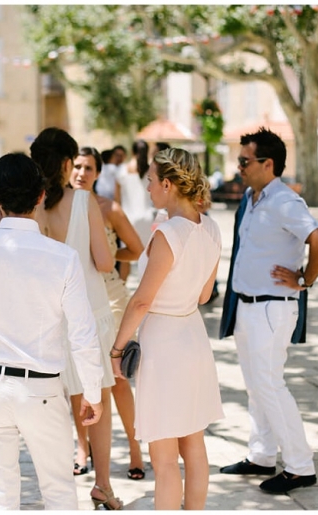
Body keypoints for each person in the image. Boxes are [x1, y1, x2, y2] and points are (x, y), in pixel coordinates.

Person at [0, 152, 104, 510]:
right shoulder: (62, 257)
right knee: (59, 492)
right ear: (42, 195)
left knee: (1, 498)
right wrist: (93, 390)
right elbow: (82, 333)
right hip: (42, 387)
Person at [218, 127, 318, 494]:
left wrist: (304, 279)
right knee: (256, 386)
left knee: (270, 385)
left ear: (268, 164)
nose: (239, 167)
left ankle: (300, 466)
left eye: (245, 161)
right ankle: (262, 455)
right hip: (249, 308)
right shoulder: (253, 199)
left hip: (272, 309)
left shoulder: (284, 200)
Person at [110, 147, 223, 510]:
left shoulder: (168, 234)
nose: (147, 188)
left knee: (163, 457)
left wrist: (116, 349)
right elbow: (205, 295)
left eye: (151, 181)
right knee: (194, 444)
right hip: (193, 337)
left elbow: (142, 300)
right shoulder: (211, 228)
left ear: (169, 184)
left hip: (164, 346)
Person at [30, 128, 122, 510]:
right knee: (98, 405)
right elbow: (104, 262)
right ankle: (103, 485)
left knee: (57, 405)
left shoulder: (29, 205)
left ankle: (58, 491)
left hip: (48, 319)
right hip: (90, 314)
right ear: (68, 163)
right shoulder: (84, 202)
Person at [71, 146, 146, 481]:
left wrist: (106, 252)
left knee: (116, 378)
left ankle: (134, 448)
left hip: (110, 294)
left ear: (98, 173)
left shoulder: (108, 208)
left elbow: (137, 249)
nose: (81, 173)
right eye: (76, 166)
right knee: (77, 378)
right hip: (74, 297)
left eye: (88, 168)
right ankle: (82, 447)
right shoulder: (57, 205)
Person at [116, 139, 153, 281]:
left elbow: (117, 199)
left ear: (132, 151)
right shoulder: (151, 170)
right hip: (148, 217)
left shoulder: (122, 170)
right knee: (147, 255)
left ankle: (122, 288)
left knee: (126, 255)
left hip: (127, 218)